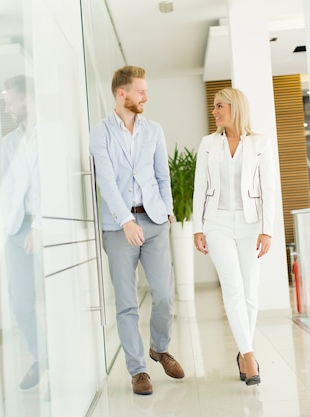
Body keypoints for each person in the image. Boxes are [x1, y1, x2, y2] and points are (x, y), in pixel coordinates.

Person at [89, 65, 185, 395]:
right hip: (118, 227)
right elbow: (106, 181)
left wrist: (168, 211)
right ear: (122, 93)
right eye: (140, 91)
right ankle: (138, 371)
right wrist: (126, 221)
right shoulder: (100, 133)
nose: (146, 96)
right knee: (127, 302)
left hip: (155, 222)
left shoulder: (153, 130)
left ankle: (159, 348)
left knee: (163, 295)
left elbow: (162, 175)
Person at [192, 87, 275, 386]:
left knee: (251, 291)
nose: (214, 111)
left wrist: (268, 229)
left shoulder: (260, 143)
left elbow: (269, 189)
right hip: (216, 223)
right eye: (214, 107)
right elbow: (200, 187)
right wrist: (197, 227)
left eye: (219, 106)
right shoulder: (208, 144)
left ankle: (243, 352)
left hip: (251, 224)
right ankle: (250, 355)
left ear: (235, 107)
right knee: (233, 286)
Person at [0, 74, 44, 390]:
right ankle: (42, 357)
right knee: (19, 302)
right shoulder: (8, 142)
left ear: (26, 99)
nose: (7, 108)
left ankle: (59, 360)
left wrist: (39, 225)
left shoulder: (52, 134)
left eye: (10, 100)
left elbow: (53, 185)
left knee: (52, 299)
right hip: (15, 229)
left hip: (46, 225)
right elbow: (6, 188)